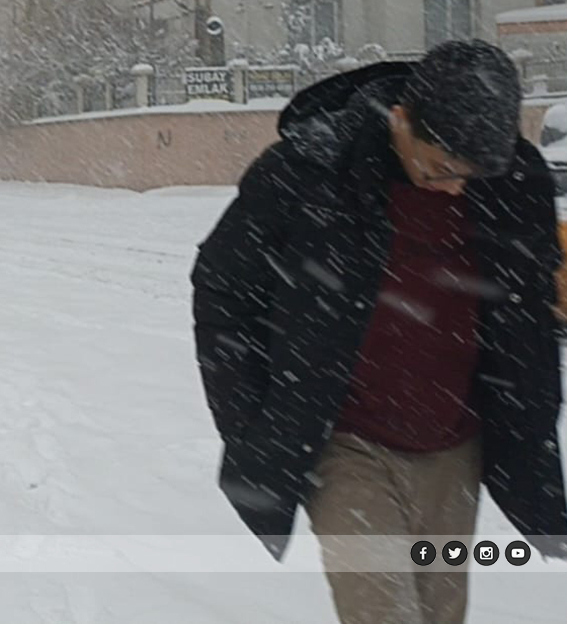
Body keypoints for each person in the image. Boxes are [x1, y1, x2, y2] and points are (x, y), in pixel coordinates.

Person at [192, 40, 567, 624]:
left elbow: (528, 320)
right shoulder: (311, 173)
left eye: (471, 174)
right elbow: (223, 291)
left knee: (439, 612)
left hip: (454, 450)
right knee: (384, 613)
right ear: (400, 120)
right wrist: (252, 424)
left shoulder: (513, 185)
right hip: (346, 444)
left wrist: (531, 426)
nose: (454, 188)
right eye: (441, 167)